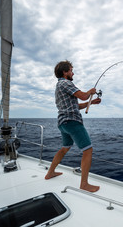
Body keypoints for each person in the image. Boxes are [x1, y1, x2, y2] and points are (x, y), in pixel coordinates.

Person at [45, 60, 101, 193]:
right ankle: (84, 184)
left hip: (62, 123)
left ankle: (50, 173)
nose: (72, 72)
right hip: (72, 122)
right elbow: (82, 96)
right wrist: (90, 92)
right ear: (65, 72)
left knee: (64, 148)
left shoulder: (59, 86)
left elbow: (76, 105)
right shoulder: (65, 82)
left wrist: (91, 102)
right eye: (71, 70)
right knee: (88, 150)